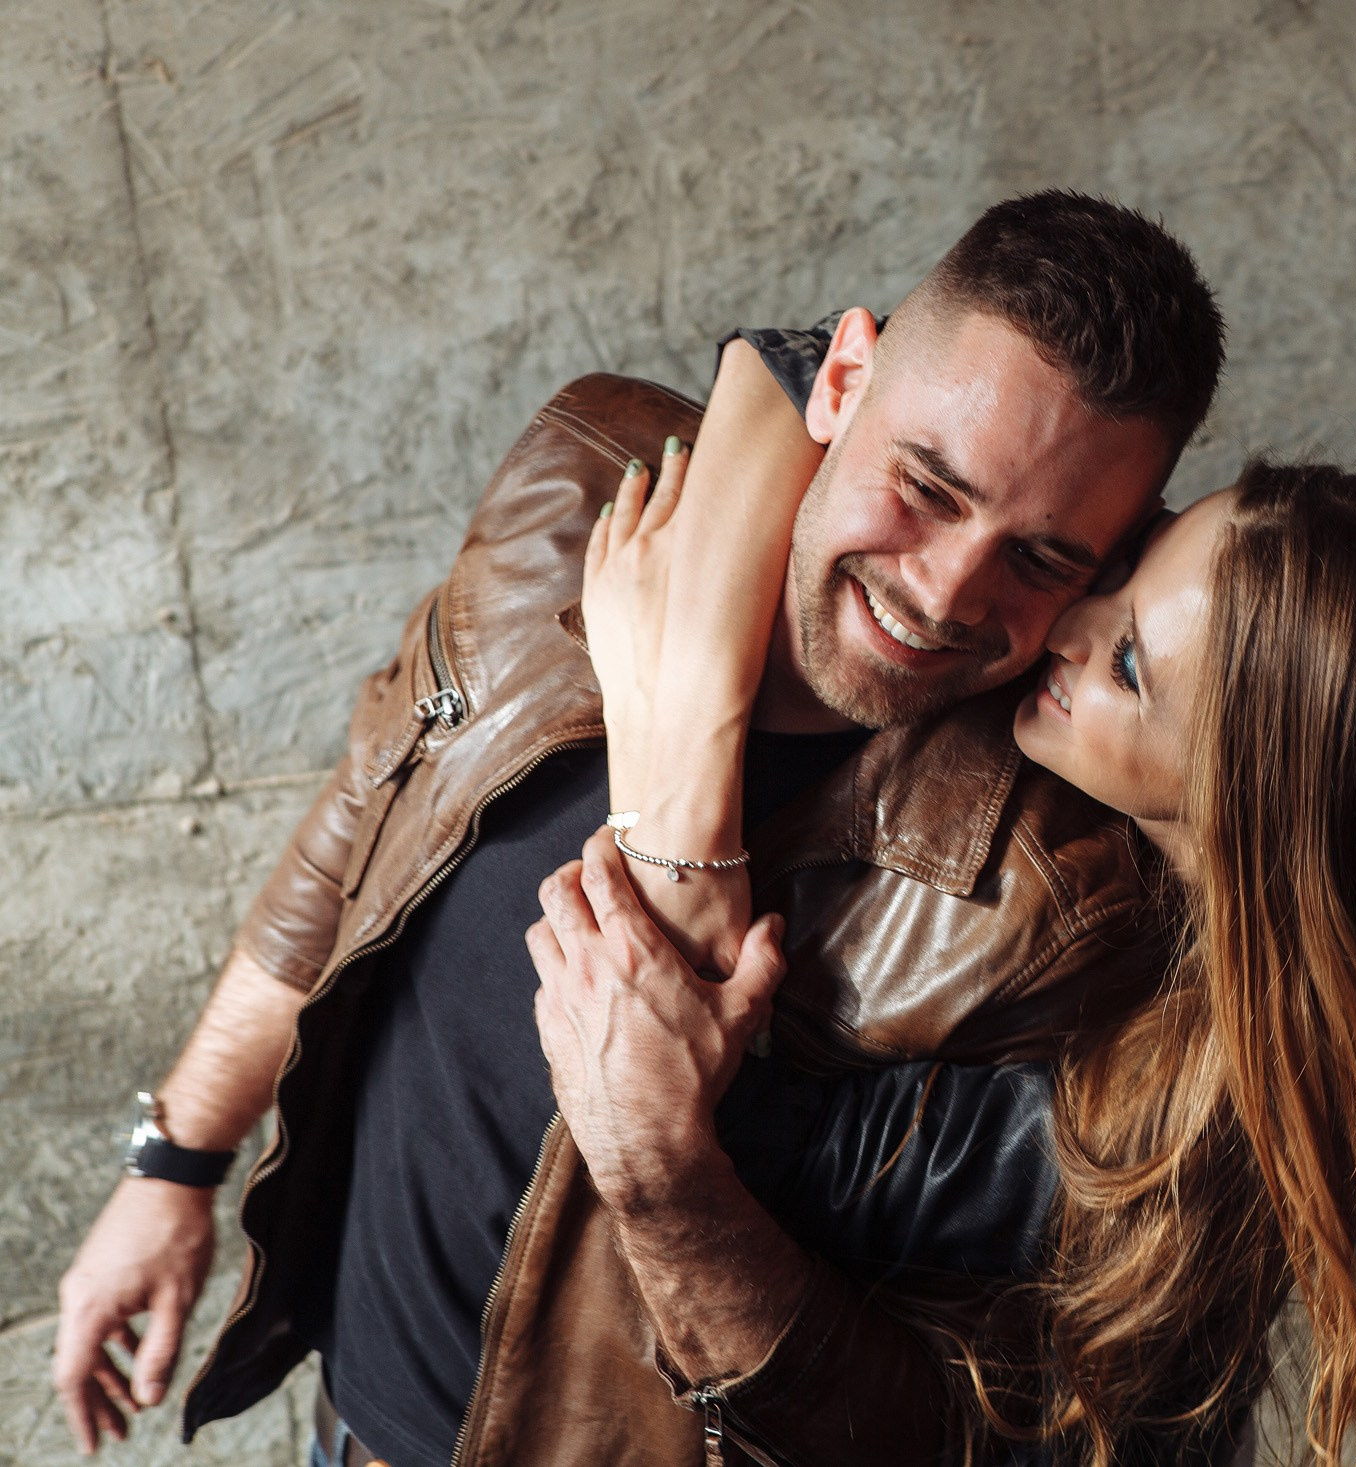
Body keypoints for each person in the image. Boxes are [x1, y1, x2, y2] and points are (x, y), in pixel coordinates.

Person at [50, 191, 1226, 1466]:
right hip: (346, 1422)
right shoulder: (577, 483)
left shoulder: (1051, 898)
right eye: (927, 487)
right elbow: (362, 828)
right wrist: (173, 1162)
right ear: (841, 379)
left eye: (1043, 559)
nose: (944, 593)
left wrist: (669, 1162)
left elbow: (964, 1426)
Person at [550, 425, 1356, 1460]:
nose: (1065, 622)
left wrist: (670, 826)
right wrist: (684, 724)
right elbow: (810, 357)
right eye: (1132, 563)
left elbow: (733, 1131)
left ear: (1250, 817)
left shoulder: (1163, 1135)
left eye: (1127, 668)